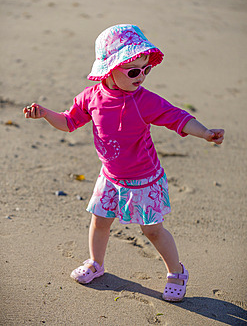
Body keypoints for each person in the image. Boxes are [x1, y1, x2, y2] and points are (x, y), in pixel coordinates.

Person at [23, 24, 224, 302]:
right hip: (111, 178)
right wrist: (45, 114)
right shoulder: (91, 97)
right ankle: (96, 263)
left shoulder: (144, 101)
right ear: (109, 70)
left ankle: (177, 272)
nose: (141, 76)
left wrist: (204, 132)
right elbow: (68, 122)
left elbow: (177, 117)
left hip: (144, 180)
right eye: (133, 71)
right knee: (100, 222)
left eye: (146, 69)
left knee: (152, 230)